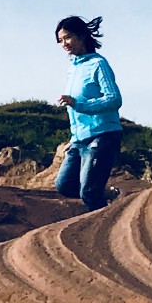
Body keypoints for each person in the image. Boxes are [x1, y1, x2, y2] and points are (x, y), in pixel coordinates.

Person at [54, 15, 122, 209]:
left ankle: (103, 233)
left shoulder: (98, 64)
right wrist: (74, 137)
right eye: (61, 40)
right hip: (79, 139)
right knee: (64, 185)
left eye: (68, 37)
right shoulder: (72, 70)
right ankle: (109, 193)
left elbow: (114, 99)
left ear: (82, 36)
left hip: (102, 135)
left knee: (88, 192)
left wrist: (78, 103)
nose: (64, 44)